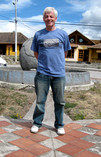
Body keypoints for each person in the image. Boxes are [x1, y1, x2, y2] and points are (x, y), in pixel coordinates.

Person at [30, 7, 71, 135]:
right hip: (42, 73)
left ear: (55, 19)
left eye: (51, 16)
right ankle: (37, 123)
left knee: (60, 101)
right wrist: (44, 63)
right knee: (40, 101)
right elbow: (36, 52)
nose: (49, 19)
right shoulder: (38, 35)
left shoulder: (63, 34)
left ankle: (59, 125)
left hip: (59, 74)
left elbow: (65, 52)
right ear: (43, 19)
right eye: (46, 16)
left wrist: (57, 63)